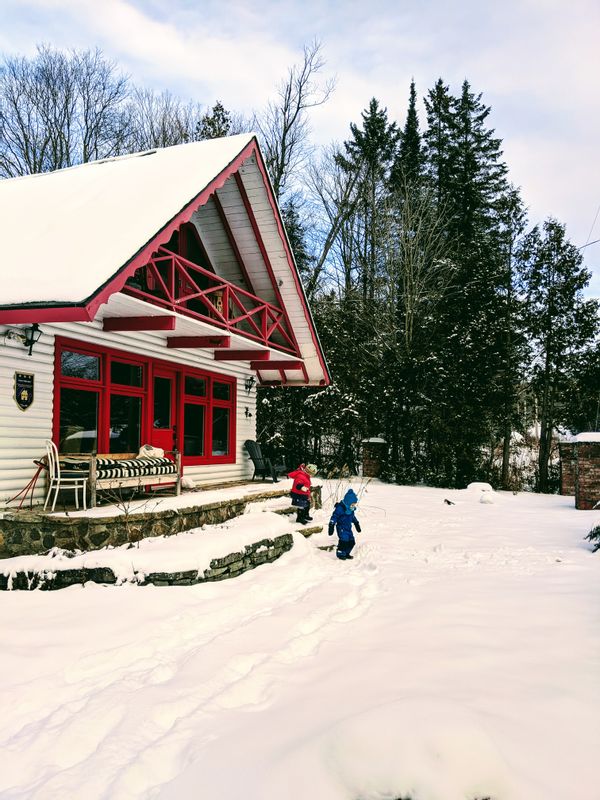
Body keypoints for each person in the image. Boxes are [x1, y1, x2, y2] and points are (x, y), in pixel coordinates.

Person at [328, 488, 361, 560]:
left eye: (355, 504)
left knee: (352, 542)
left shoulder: (351, 509)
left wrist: (356, 523)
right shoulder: (340, 508)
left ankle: (346, 553)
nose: (354, 506)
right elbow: (335, 516)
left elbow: (352, 517)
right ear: (348, 502)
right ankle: (340, 553)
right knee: (344, 540)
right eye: (352, 504)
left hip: (348, 528)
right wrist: (331, 525)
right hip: (341, 528)